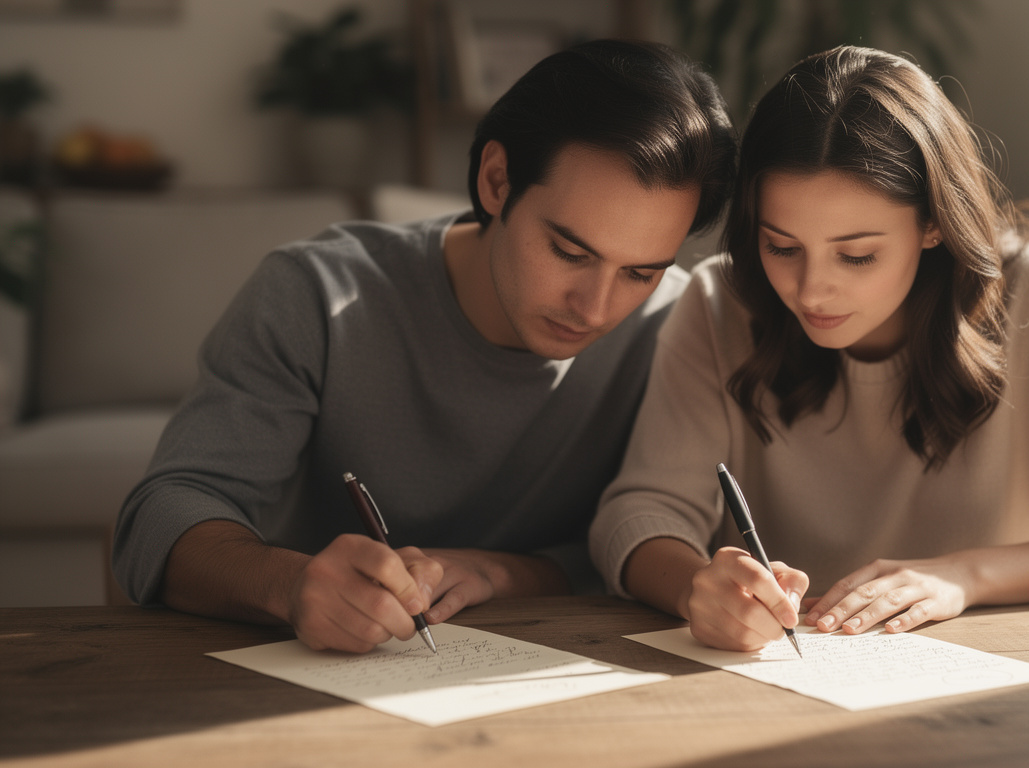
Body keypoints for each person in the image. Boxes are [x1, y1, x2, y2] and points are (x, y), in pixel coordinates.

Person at [113, 39, 736, 653]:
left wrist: (503, 573)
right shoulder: (317, 296)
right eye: (570, 253)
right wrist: (292, 583)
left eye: (641, 272)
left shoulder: (677, 326)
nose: (597, 309)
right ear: (497, 181)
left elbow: (646, 541)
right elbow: (161, 515)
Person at [589, 46, 1029, 652]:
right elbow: (638, 514)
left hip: (995, 677)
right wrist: (699, 586)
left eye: (857, 255)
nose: (810, 289)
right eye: (781, 246)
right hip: (776, 677)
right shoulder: (720, 304)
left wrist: (963, 575)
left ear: (934, 222)